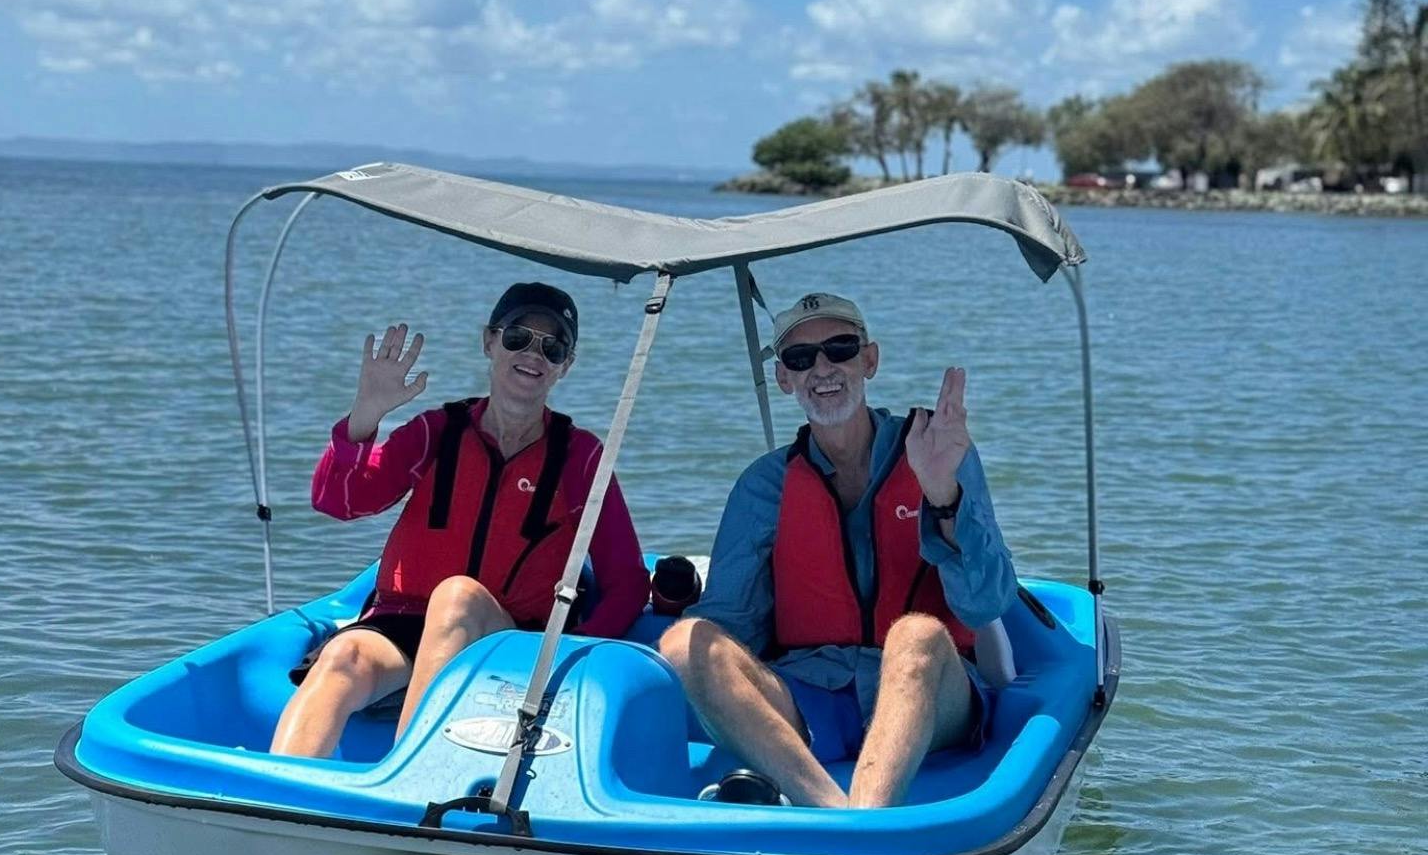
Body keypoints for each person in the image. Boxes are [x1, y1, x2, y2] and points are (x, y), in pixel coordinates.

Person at [659, 291, 1016, 809]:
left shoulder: (938, 450)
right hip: (811, 692)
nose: (821, 368)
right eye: (800, 359)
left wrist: (943, 495)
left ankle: (866, 818)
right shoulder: (763, 486)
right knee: (684, 640)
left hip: (932, 696)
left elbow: (986, 604)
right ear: (785, 379)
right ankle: (829, 809)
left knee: (915, 634)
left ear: (869, 359)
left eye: (839, 348)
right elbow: (732, 625)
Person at [272, 280, 648, 759]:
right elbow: (337, 501)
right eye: (517, 338)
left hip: (511, 639)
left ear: (564, 367)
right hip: (403, 626)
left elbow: (628, 583)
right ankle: (271, 798)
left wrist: (570, 656)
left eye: (552, 347)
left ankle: (402, 774)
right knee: (341, 657)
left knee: (458, 596)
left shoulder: (581, 457)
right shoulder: (437, 432)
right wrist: (365, 414)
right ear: (489, 342)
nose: (532, 354)